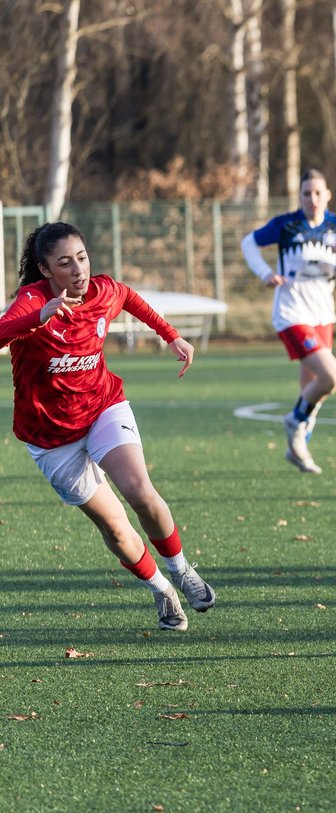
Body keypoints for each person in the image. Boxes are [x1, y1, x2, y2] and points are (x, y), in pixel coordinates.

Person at [0, 222, 216, 632]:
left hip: (102, 408)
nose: (78, 269)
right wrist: (35, 319)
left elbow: (129, 297)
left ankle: (182, 569)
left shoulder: (101, 292)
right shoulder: (30, 302)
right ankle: (161, 589)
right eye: (65, 262)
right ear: (45, 270)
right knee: (115, 527)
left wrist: (170, 336)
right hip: (51, 439)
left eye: (82, 258)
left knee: (141, 492)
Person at [240, 168, 336, 474]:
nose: (313, 199)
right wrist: (266, 273)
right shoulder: (286, 225)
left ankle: (298, 447)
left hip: (323, 316)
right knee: (331, 377)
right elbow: (248, 243)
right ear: (300, 197)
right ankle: (294, 422)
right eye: (307, 193)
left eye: (318, 193)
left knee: (314, 388)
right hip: (292, 314)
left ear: (328, 195)